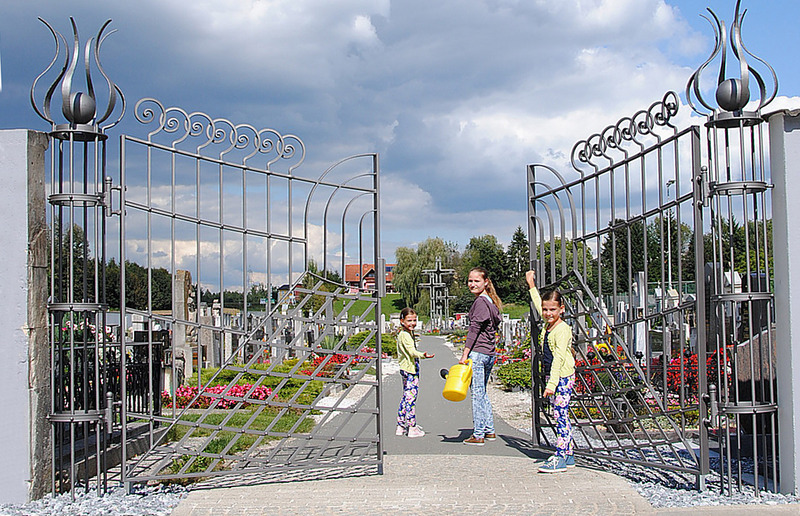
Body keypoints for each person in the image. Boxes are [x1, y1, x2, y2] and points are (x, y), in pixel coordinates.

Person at [526, 270, 576, 473]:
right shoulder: (549, 324)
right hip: (555, 376)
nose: (547, 313)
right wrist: (531, 285)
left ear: (561, 309)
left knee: (560, 415)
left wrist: (551, 384)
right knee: (560, 413)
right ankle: (568, 454)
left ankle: (561, 455)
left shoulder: (562, 330)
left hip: (562, 376)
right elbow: (539, 304)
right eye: (546, 310)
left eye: (552, 310)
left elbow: (559, 359)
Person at [459, 267, 502, 446]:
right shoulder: (491, 302)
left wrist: (465, 354)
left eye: (477, 281)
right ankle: (489, 429)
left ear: (486, 282)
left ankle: (478, 434)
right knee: (482, 391)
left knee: (477, 393)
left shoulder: (480, 303)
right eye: (470, 281)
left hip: (478, 353)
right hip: (489, 353)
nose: (472, 284)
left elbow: (474, 330)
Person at [396, 307, 434, 438]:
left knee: (406, 396)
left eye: (414, 320)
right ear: (402, 321)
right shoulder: (405, 335)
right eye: (409, 320)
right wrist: (423, 355)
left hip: (405, 368)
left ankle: (401, 425)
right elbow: (412, 352)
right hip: (410, 369)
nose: (412, 323)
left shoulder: (405, 333)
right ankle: (412, 427)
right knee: (411, 398)